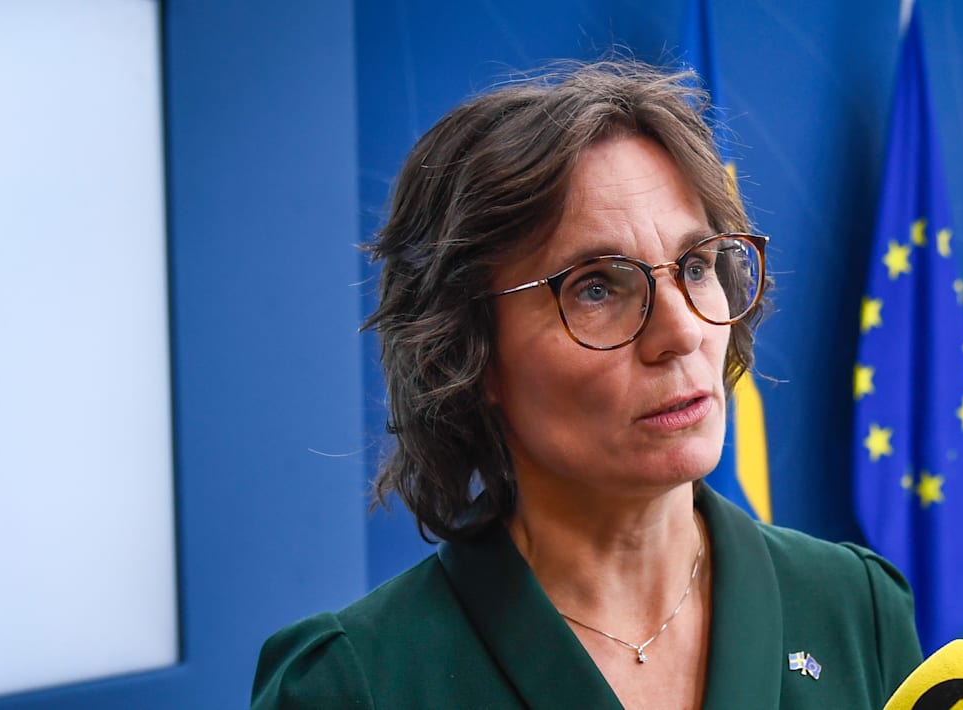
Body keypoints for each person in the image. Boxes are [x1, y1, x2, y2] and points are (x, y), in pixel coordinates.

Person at [252, 59, 922, 709]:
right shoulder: (355, 684)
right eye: (597, 287)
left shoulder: (857, 610)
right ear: (467, 354)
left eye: (695, 266)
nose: (683, 331)